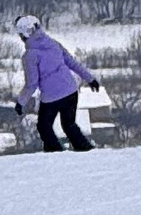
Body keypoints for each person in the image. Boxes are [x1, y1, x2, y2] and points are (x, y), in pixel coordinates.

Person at [15, 16, 98, 152]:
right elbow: (71, 63)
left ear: (24, 34)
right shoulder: (53, 44)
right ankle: (86, 150)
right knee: (69, 125)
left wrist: (21, 102)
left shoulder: (30, 55)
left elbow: (32, 83)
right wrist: (90, 79)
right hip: (71, 91)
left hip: (51, 98)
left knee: (44, 127)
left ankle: (56, 154)